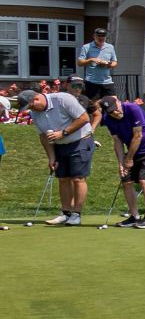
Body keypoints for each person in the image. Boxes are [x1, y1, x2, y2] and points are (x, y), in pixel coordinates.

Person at [21, 89, 93, 226]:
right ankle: (66, 213)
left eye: (30, 106)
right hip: (60, 146)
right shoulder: (35, 113)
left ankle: (76, 214)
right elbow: (43, 136)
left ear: (36, 98)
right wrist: (51, 157)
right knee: (63, 179)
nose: (31, 109)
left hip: (81, 141)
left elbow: (84, 118)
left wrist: (63, 133)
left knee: (78, 178)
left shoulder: (63, 99)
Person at [99, 96, 145, 229]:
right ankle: (134, 217)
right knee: (126, 181)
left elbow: (138, 136)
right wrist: (121, 163)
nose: (115, 113)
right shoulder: (108, 119)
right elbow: (117, 142)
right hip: (133, 151)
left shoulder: (133, 109)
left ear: (118, 102)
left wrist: (128, 159)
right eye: (110, 112)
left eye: (115, 109)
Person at [77, 28, 118, 101]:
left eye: (103, 36)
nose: (101, 38)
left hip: (107, 82)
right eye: (99, 36)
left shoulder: (110, 47)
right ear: (94, 36)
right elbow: (79, 63)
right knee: (94, 108)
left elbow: (115, 62)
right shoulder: (86, 47)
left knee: (114, 106)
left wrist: (107, 65)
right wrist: (91, 59)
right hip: (92, 82)